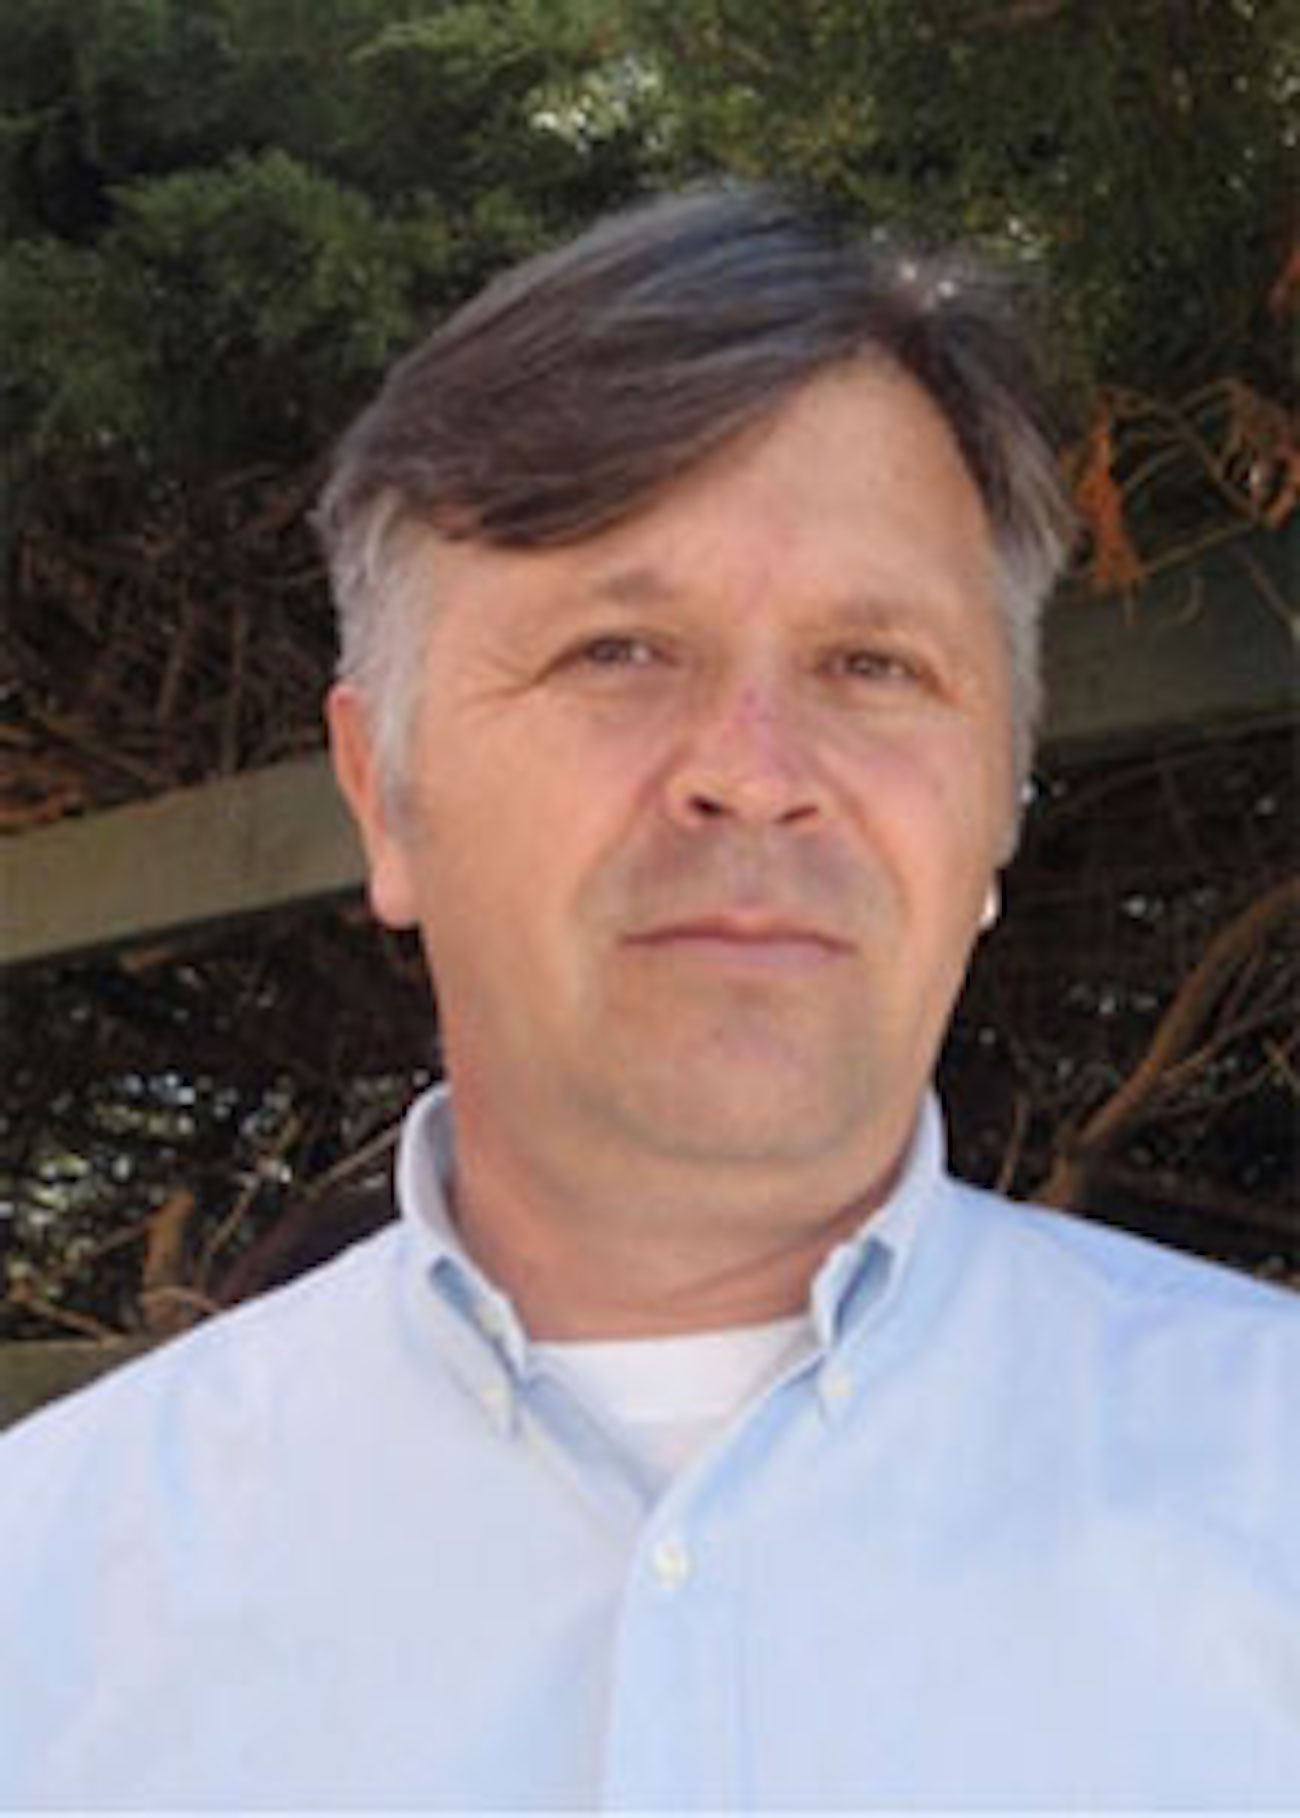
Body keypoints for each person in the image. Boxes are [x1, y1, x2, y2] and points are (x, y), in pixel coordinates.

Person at [1, 185, 1296, 1811]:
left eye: (874, 665)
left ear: (998, 809)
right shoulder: (43, 1603)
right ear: (383, 792)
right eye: (617, 650)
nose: (753, 773)